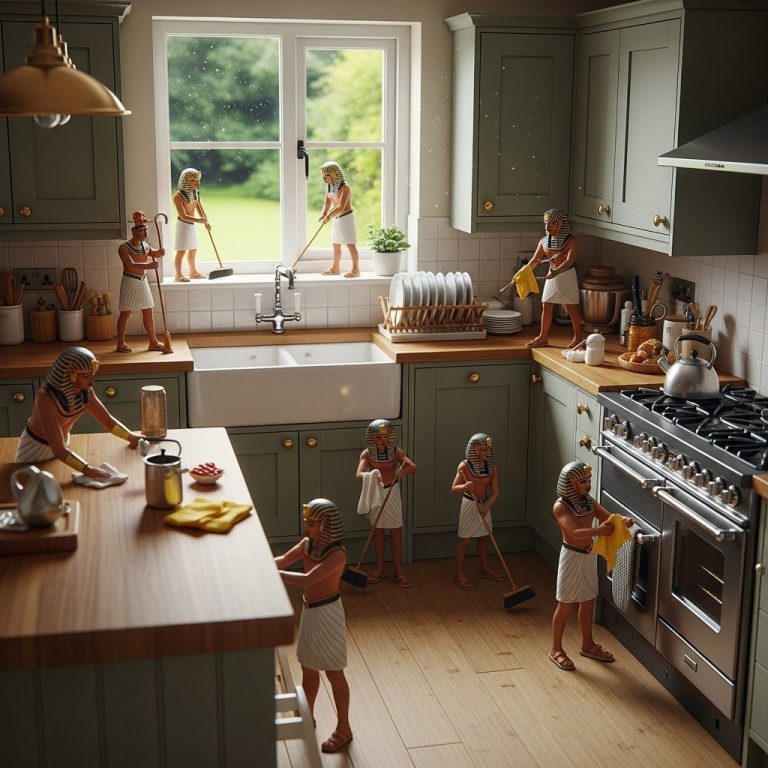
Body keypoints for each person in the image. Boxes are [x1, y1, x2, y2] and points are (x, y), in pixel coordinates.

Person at [275, 498, 353, 754]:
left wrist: (274, 573)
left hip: (328, 613)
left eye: (312, 523)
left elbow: (309, 578)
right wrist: (259, 563)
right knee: (308, 669)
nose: (306, 527)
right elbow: (284, 559)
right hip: (310, 610)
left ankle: (344, 728)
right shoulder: (308, 544)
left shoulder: (336, 554)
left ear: (327, 525)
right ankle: (307, 715)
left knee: (333, 672)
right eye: (306, 521)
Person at [548, 460, 632, 672]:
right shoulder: (560, 506)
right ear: (569, 484)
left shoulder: (588, 502)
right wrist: (599, 532)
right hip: (571, 557)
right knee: (565, 603)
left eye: (588, 480)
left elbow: (608, 518)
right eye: (583, 481)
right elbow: (573, 533)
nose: (587, 484)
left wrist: (622, 521)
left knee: (588, 600)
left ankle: (588, 644)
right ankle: (556, 649)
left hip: (589, 556)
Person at [14, 347, 141, 479]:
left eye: (92, 375)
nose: (91, 382)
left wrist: (130, 437)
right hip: (35, 450)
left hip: (64, 450)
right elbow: (57, 449)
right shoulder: (45, 399)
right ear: (69, 376)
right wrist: (87, 469)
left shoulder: (86, 392)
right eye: (86, 377)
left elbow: (108, 421)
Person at [355, 419, 418, 587]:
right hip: (376, 492)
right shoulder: (367, 454)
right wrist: (373, 474)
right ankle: (380, 568)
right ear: (372, 438)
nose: (382, 440)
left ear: (390, 437)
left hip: (392, 491)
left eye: (385, 436)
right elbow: (359, 474)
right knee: (378, 531)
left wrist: (401, 471)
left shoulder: (396, 452)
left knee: (396, 532)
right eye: (379, 436)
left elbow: (412, 466)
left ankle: (398, 571)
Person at [525, 208, 584, 349]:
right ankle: (543, 337)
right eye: (546, 223)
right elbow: (535, 260)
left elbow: (569, 261)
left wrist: (556, 271)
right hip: (552, 275)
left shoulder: (571, 241)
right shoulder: (544, 241)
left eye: (552, 223)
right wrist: (523, 273)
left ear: (561, 224)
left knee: (571, 307)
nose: (548, 227)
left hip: (566, 275)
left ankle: (578, 338)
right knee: (547, 305)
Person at [451, 433, 503, 590]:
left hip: (484, 504)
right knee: (464, 540)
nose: (487, 453)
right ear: (474, 451)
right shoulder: (464, 467)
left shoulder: (492, 467)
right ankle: (459, 574)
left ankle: (484, 568)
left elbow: (495, 492)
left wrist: (487, 506)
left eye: (488, 450)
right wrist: (464, 487)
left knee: (484, 538)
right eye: (483, 450)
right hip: (469, 504)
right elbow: (454, 488)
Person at [115, 218, 166, 353]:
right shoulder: (124, 248)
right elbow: (130, 265)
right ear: (134, 231)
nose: (144, 232)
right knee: (126, 312)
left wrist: (160, 252)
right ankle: (120, 343)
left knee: (148, 311)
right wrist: (149, 266)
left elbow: (153, 253)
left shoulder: (145, 245)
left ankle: (153, 342)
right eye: (141, 230)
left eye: (145, 229)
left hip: (142, 282)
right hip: (130, 281)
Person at [319, 161, 360, 278]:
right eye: (324, 177)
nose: (326, 180)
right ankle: (335, 268)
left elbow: (341, 207)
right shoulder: (329, 188)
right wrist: (323, 214)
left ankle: (356, 269)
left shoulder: (345, 188)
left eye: (327, 177)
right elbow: (327, 203)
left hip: (346, 218)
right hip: (336, 219)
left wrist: (328, 216)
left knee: (350, 244)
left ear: (335, 175)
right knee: (335, 244)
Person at [172, 167, 210, 282]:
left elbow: (200, 208)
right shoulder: (178, 196)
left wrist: (206, 222)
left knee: (193, 249)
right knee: (181, 250)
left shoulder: (196, 193)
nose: (196, 182)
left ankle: (193, 272)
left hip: (192, 225)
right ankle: (178, 274)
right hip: (183, 225)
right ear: (185, 181)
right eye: (193, 180)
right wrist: (199, 220)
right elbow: (183, 215)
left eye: (197, 180)